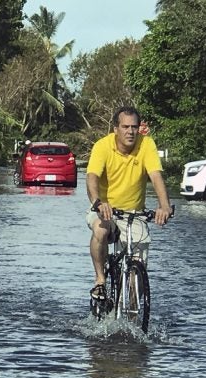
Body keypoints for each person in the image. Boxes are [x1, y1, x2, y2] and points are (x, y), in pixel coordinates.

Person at [86, 106, 173, 300]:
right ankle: (100, 281)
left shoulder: (146, 145)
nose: (130, 131)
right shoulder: (102, 146)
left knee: (138, 273)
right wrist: (98, 202)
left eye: (134, 127)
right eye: (125, 127)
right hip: (105, 210)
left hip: (135, 213)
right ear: (115, 129)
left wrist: (164, 205)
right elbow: (91, 177)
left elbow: (156, 176)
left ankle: (132, 318)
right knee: (100, 230)